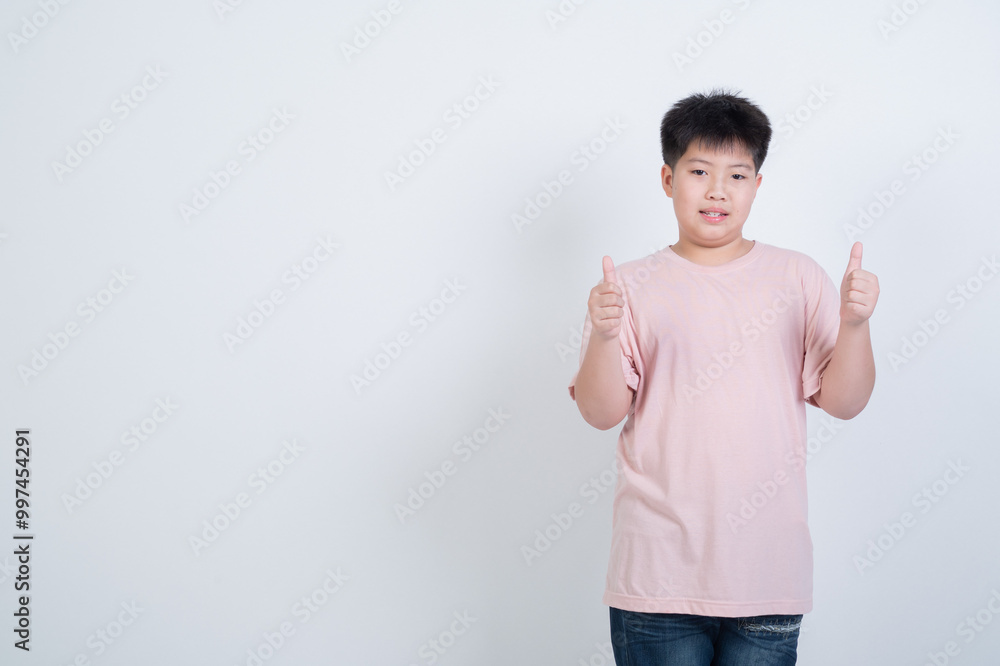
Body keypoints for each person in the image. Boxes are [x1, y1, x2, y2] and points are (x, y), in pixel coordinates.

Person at [568, 89, 879, 665]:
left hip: (768, 574)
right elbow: (600, 412)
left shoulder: (798, 277)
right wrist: (606, 337)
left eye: (736, 175)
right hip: (656, 577)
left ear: (756, 185)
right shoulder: (627, 287)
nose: (717, 190)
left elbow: (845, 401)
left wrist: (855, 324)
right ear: (668, 179)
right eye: (699, 171)